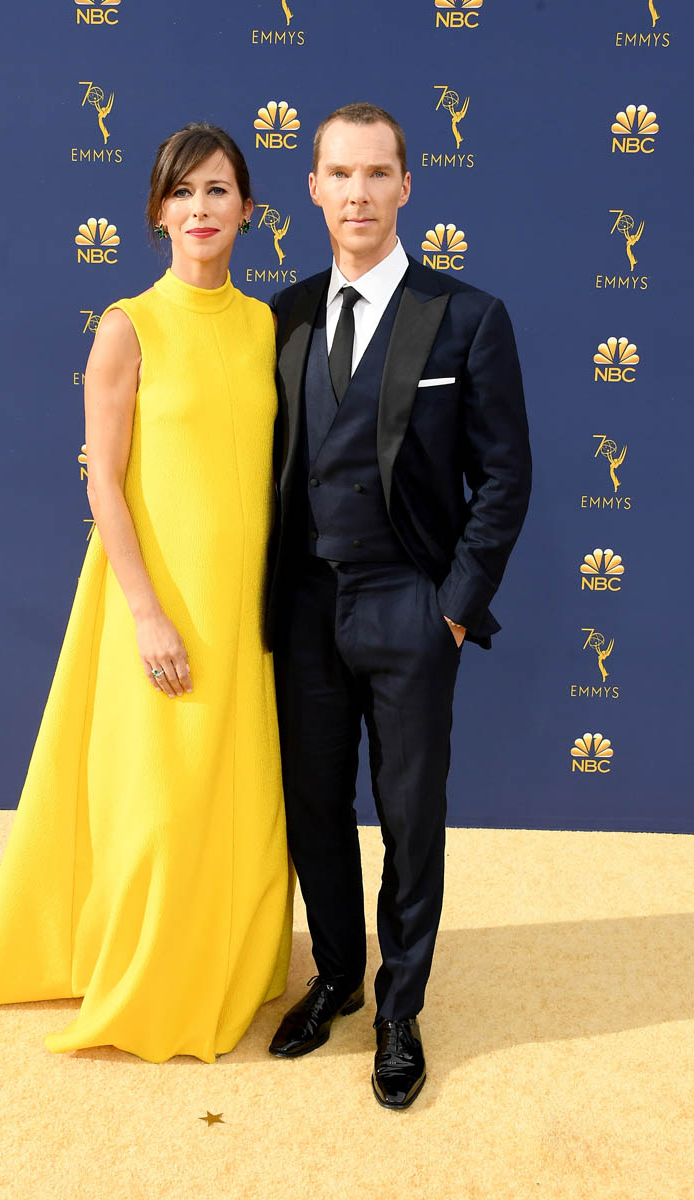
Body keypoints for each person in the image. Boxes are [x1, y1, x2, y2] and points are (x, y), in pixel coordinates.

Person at [0, 124, 293, 1063]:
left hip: (246, 610)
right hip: (159, 600)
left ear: (248, 209)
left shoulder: (267, 327)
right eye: (182, 192)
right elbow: (104, 480)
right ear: (157, 213)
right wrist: (145, 613)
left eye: (218, 190)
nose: (201, 208)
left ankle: (233, 963)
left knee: (239, 799)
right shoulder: (127, 325)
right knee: (161, 806)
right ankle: (147, 977)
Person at [266, 103, 531, 1108]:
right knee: (313, 807)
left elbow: (503, 477)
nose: (359, 193)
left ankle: (397, 1010)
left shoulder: (465, 316)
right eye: (340, 174)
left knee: (410, 817)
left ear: (406, 185)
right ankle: (336, 973)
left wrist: (452, 609)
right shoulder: (283, 315)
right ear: (313, 189)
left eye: (378, 173)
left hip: (409, 604)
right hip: (304, 607)